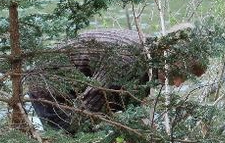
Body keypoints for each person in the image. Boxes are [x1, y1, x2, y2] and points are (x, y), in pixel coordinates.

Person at [26, 24, 208, 133]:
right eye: (180, 76)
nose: (177, 85)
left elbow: (129, 108)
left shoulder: (149, 55)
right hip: (50, 89)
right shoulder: (127, 63)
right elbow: (86, 116)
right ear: (171, 57)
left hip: (77, 89)